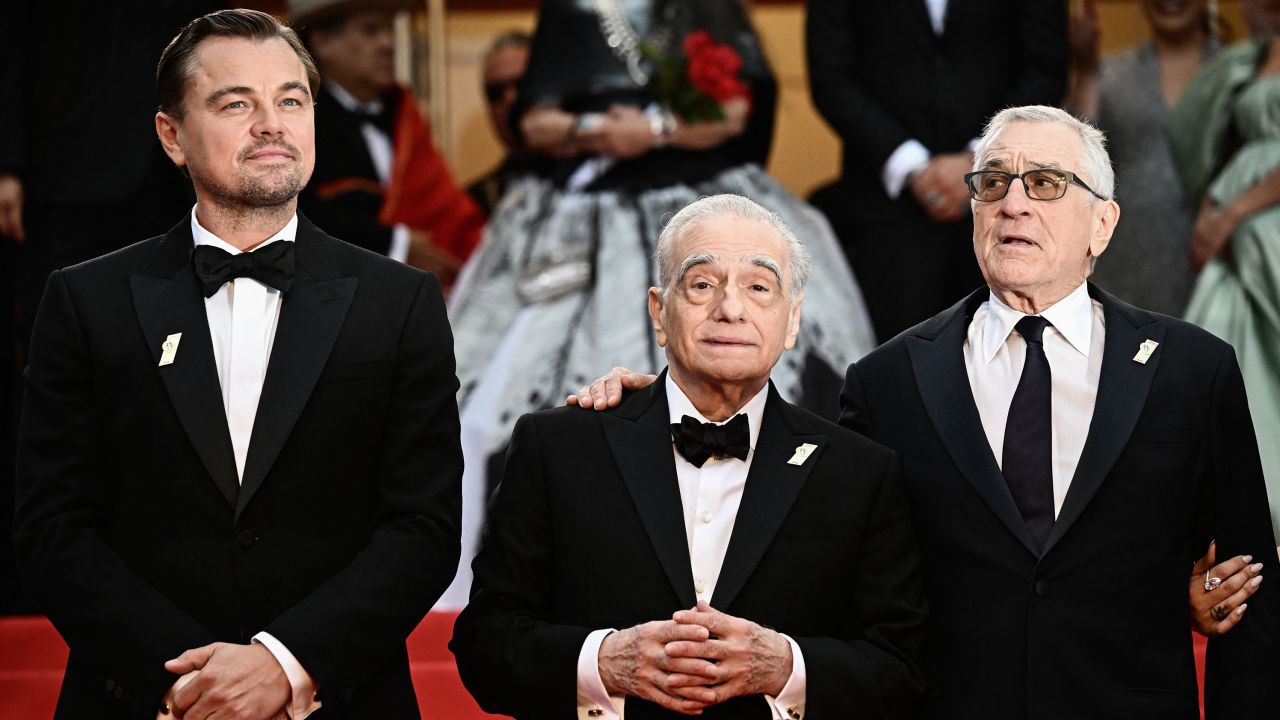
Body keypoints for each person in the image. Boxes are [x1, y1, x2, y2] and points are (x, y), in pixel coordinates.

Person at [570, 107, 1280, 718]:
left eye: (1044, 184)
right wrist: (675, 400)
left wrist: (1161, 590)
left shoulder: (1193, 369)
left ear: (1103, 223)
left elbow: (1252, 598)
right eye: (993, 183)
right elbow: (808, 552)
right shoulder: (889, 380)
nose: (1014, 204)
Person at [13, 10, 461, 719]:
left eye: (291, 100)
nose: (272, 124)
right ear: (172, 137)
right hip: (139, 699)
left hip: (339, 697)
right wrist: (185, 680)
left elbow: (423, 528)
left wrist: (284, 666)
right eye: (235, 104)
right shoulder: (84, 300)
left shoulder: (400, 302)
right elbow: (52, 527)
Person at [438, 0, 875, 609]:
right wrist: (596, 135)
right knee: (496, 399)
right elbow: (534, 120)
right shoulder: (571, 12)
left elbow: (735, 112)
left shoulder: (709, 9)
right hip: (583, 218)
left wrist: (652, 132)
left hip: (705, 202)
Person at [451, 194, 926, 720]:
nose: (730, 308)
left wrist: (786, 667)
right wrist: (603, 663)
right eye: (701, 284)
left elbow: (902, 666)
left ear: (792, 321)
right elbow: (485, 644)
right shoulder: (559, 448)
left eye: (759, 287)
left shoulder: (860, 471)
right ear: (659, 311)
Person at [0, 0, 222, 615]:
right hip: (65, 175)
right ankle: (42, 565)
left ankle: (164, 560)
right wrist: (6, 161)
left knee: (178, 369)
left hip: (176, 175)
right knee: (60, 371)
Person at [805, 0, 1067, 343]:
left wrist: (983, 161)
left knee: (1005, 360)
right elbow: (831, 74)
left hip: (1003, 205)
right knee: (895, 369)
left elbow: (1046, 69)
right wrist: (910, 165)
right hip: (886, 209)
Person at [1166, 0, 1280, 543]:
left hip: (1266, 225)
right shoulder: (1251, 57)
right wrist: (1214, 210)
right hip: (1236, 232)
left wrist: (1235, 213)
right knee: (1222, 360)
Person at [293, 0, 486, 284]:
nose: (388, 44)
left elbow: (444, 209)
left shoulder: (405, 116)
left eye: (389, 30)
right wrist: (397, 244)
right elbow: (296, 214)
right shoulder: (299, 120)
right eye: (370, 31)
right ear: (323, 43)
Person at [1066, 0, 1219, 316]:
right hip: (1127, 256)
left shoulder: (1238, 66)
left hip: (1215, 255)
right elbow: (1076, 162)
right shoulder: (1110, 71)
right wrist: (1087, 70)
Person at [466, 30, 545, 218]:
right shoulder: (472, 204)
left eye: (522, 84)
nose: (510, 99)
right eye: (495, 92)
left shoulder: (595, 182)